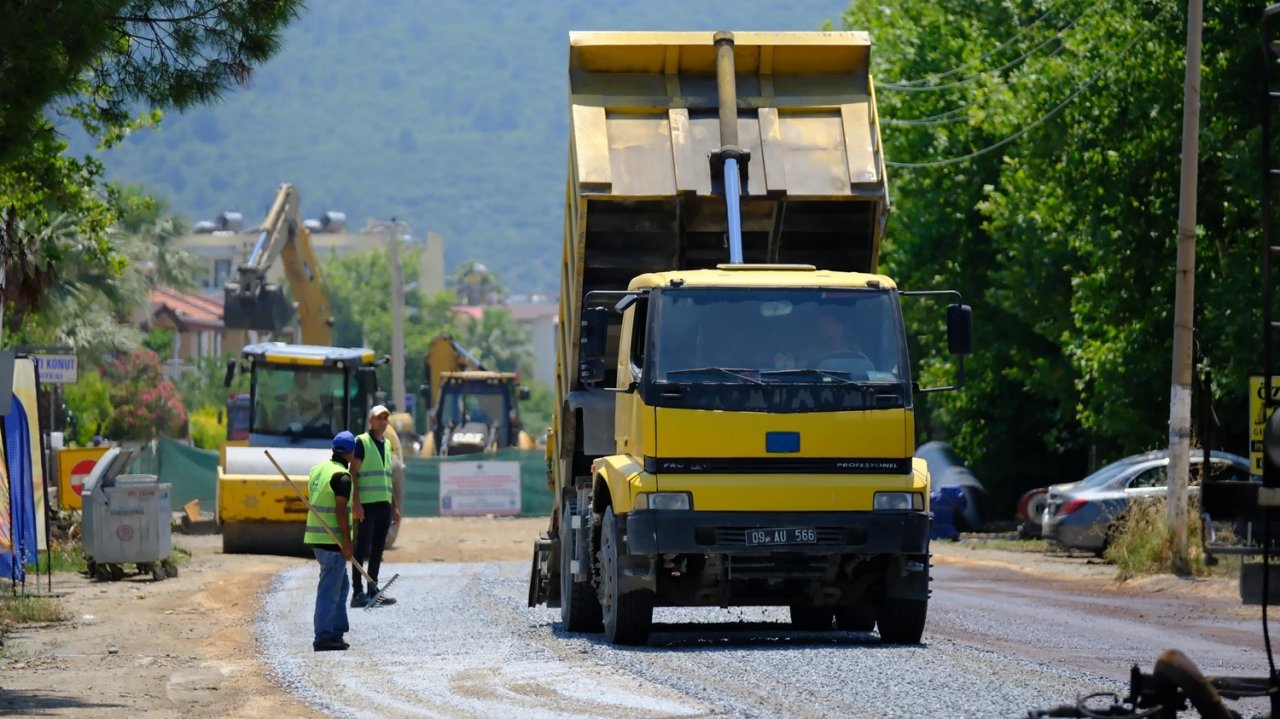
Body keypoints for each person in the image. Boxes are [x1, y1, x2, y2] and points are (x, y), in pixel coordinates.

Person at [305, 431, 356, 652]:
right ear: (352, 452)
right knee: (329, 589)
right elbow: (340, 511)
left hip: (317, 538)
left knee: (342, 586)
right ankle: (323, 637)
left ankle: (336, 632)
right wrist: (347, 542)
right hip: (331, 540)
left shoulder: (318, 470)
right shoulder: (342, 477)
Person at [350, 405, 400, 608]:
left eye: (385, 418)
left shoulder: (387, 445)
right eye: (379, 418)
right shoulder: (362, 442)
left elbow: (387, 477)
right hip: (367, 505)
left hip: (383, 505)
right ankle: (357, 592)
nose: (383, 422)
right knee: (361, 548)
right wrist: (356, 503)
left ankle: (373, 589)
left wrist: (394, 506)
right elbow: (353, 473)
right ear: (371, 421)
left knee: (378, 549)